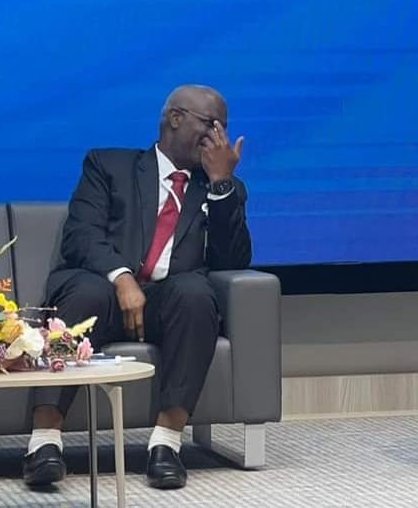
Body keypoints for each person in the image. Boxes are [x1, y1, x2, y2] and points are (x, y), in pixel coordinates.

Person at [24, 84, 251, 491]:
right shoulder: (109, 166)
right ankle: (43, 444)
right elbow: (81, 236)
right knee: (85, 294)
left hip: (167, 303)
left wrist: (221, 184)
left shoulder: (220, 188)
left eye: (223, 128)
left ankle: (166, 445)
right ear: (175, 118)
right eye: (210, 124)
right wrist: (122, 277)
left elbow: (231, 262)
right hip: (104, 291)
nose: (217, 138)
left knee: (197, 295)